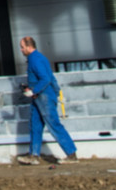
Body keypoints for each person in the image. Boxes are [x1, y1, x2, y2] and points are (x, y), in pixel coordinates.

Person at [17, 35, 78, 164]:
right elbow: (50, 77)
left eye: (22, 48)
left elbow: (45, 78)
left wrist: (33, 91)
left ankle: (71, 154)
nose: (21, 50)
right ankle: (34, 155)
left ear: (29, 47)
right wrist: (56, 93)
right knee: (35, 125)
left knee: (53, 125)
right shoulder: (40, 58)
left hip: (43, 97)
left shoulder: (34, 60)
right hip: (40, 96)